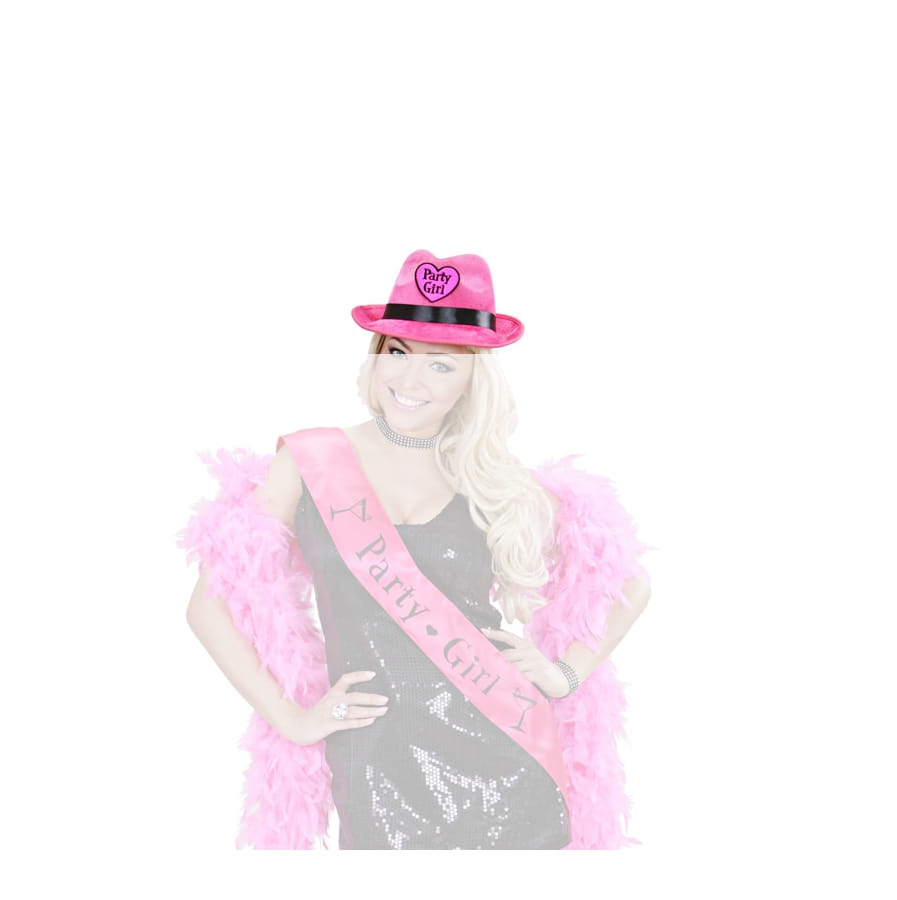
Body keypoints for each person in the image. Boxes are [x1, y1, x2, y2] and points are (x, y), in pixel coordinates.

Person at [180, 250, 651, 850]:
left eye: (441, 365)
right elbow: (208, 606)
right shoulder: (308, 460)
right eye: (399, 353)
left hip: (509, 765)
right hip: (374, 767)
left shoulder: (494, 479)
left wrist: (564, 674)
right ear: (376, 355)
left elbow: (627, 581)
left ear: (473, 381)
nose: (410, 380)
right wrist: (293, 718)